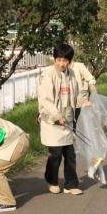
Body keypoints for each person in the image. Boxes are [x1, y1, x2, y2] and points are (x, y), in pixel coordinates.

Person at [38, 44, 87, 195]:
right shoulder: (48, 74)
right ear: (55, 59)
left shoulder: (71, 74)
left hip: (68, 119)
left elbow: (77, 92)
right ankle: (51, 180)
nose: (61, 63)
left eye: (65, 60)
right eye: (58, 60)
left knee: (70, 154)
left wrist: (84, 101)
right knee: (56, 154)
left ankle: (71, 184)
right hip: (52, 121)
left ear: (70, 61)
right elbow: (45, 99)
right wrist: (57, 116)